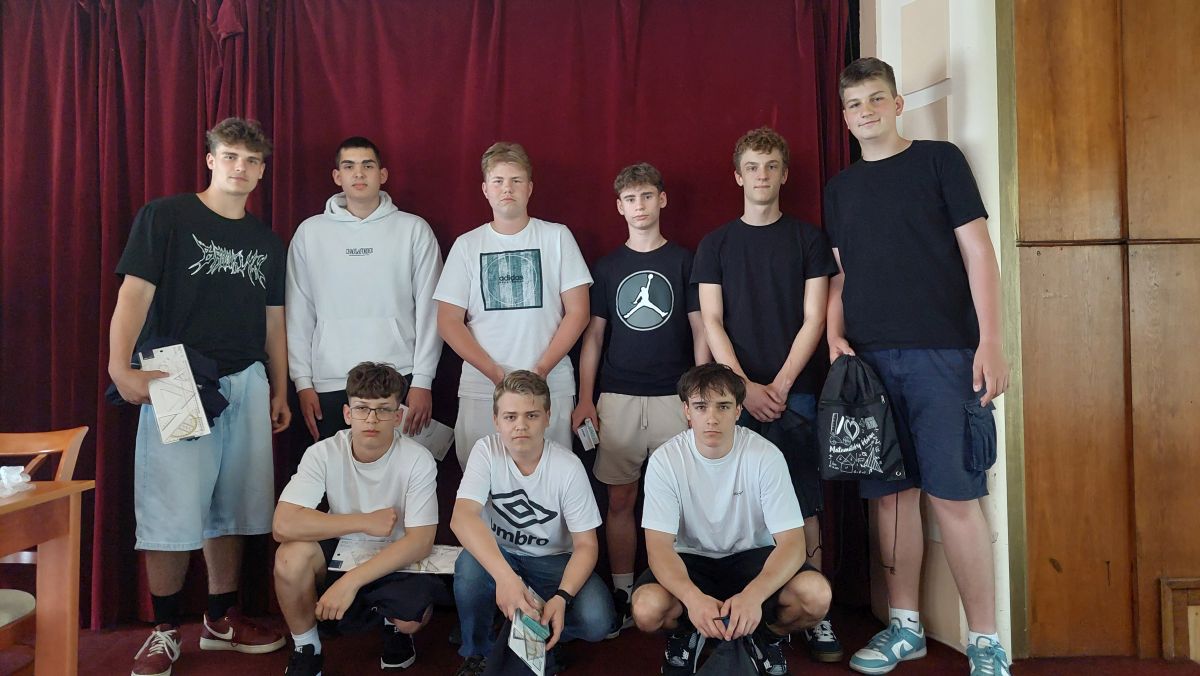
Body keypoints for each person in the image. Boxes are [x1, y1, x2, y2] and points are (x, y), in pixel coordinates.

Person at [825, 57, 1011, 676]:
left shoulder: (939, 161)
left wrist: (992, 340)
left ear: (898, 104)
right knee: (891, 499)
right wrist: (834, 333)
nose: (866, 112)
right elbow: (842, 274)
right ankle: (905, 627)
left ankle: (985, 639)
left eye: (876, 99)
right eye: (855, 104)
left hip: (945, 353)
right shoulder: (840, 188)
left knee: (955, 495)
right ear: (845, 116)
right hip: (869, 362)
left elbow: (978, 252)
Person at [108, 117, 290, 676]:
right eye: (230, 156)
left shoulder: (266, 240)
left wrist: (279, 386)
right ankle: (164, 630)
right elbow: (134, 294)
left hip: (248, 378)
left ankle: (219, 619)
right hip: (177, 376)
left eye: (252, 160)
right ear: (210, 159)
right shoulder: (166, 217)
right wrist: (119, 366)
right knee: (172, 504)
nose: (241, 167)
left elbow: (274, 321)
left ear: (262, 171)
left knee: (233, 505)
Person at [691, 126, 842, 660]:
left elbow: (814, 318)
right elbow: (712, 321)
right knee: (732, 498)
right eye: (753, 167)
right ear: (738, 176)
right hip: (733, 397)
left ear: (784, 174)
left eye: (771, 166)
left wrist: (778, 385)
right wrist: (743, 389)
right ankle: (732, 605)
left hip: (793, 393)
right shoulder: (715, 244)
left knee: (802, 499)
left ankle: (815, 613)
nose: (762, 175)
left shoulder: (808, 239)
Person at [570, 162, 709, 631]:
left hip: (675, 396)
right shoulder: (608, 267)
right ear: (619, 207)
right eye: (631, 199)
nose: (640, 206)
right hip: (618, 397)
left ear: (661, 200)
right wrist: (585, 398)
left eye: (647, 196)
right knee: (620, 499)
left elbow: (699, 328)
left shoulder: (685, 260)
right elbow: (593, 337)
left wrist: (699, 393)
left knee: (684, 499)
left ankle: (683, 590)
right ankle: (624, 590)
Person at [631, 363, 833, 676]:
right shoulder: (666, 460)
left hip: (752, 558)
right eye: (701, 407)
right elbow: (658, 548)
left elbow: (793, 543)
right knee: (646, 608)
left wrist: (754, 595)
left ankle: (764, 638)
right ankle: (688, 633)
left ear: (738, 410)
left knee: (816, 596)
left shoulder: (765, 455)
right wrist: (692, 599)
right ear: (687, 411)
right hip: (691, 561)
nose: (712, 418)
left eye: (723, 406)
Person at [273, 362, 439, 675]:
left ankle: (394, 628)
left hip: (396, 557)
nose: (372, 419)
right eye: (362, 409)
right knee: (289, 556)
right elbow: (283, 525)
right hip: (341, 550)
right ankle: (307, 647)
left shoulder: (417, 459)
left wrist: (351, 582)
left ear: (398, 416)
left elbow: (421, 541)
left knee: (410, 620)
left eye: (383, 410)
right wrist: (363, 521)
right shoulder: (323, 452)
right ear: (348, 413)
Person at [435, 142, 592, 468]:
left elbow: (578, 312)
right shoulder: (467, 246)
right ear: (485, 189)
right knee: (482, 480)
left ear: (530, 188)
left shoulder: (557, 237)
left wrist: (541, 370)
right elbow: (448, 321)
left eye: (516, 180)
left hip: (549, 385)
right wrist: (495, 373)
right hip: (483, 388)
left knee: (551, 478)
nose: (507, 189)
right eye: (498, 181)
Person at [450, 371, 615, 676]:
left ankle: (546, 632)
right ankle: (477, 651)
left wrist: (562, 597)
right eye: (510, 416)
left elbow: (586, 545)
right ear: (496, 420)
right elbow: (461, 518)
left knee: (598, 621)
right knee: (469, 568)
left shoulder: (568, 467)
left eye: (531, 415)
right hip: (502, 555)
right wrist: (506, 579)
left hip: (552, 560)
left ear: (548, 417)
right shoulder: (486, 451)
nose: (520, 425)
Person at [286, 136, 443, 441]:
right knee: (337, 469)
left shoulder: (413, 229)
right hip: (330, 380)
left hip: (399, 375)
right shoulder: (310, 233)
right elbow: (299, 312)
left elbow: (431, 310)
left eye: (367, 166)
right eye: (349, 166)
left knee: (401, 468)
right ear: (337, 176)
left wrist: (423, 379)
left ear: (382, 175)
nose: (358, 173)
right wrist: (302, 381)